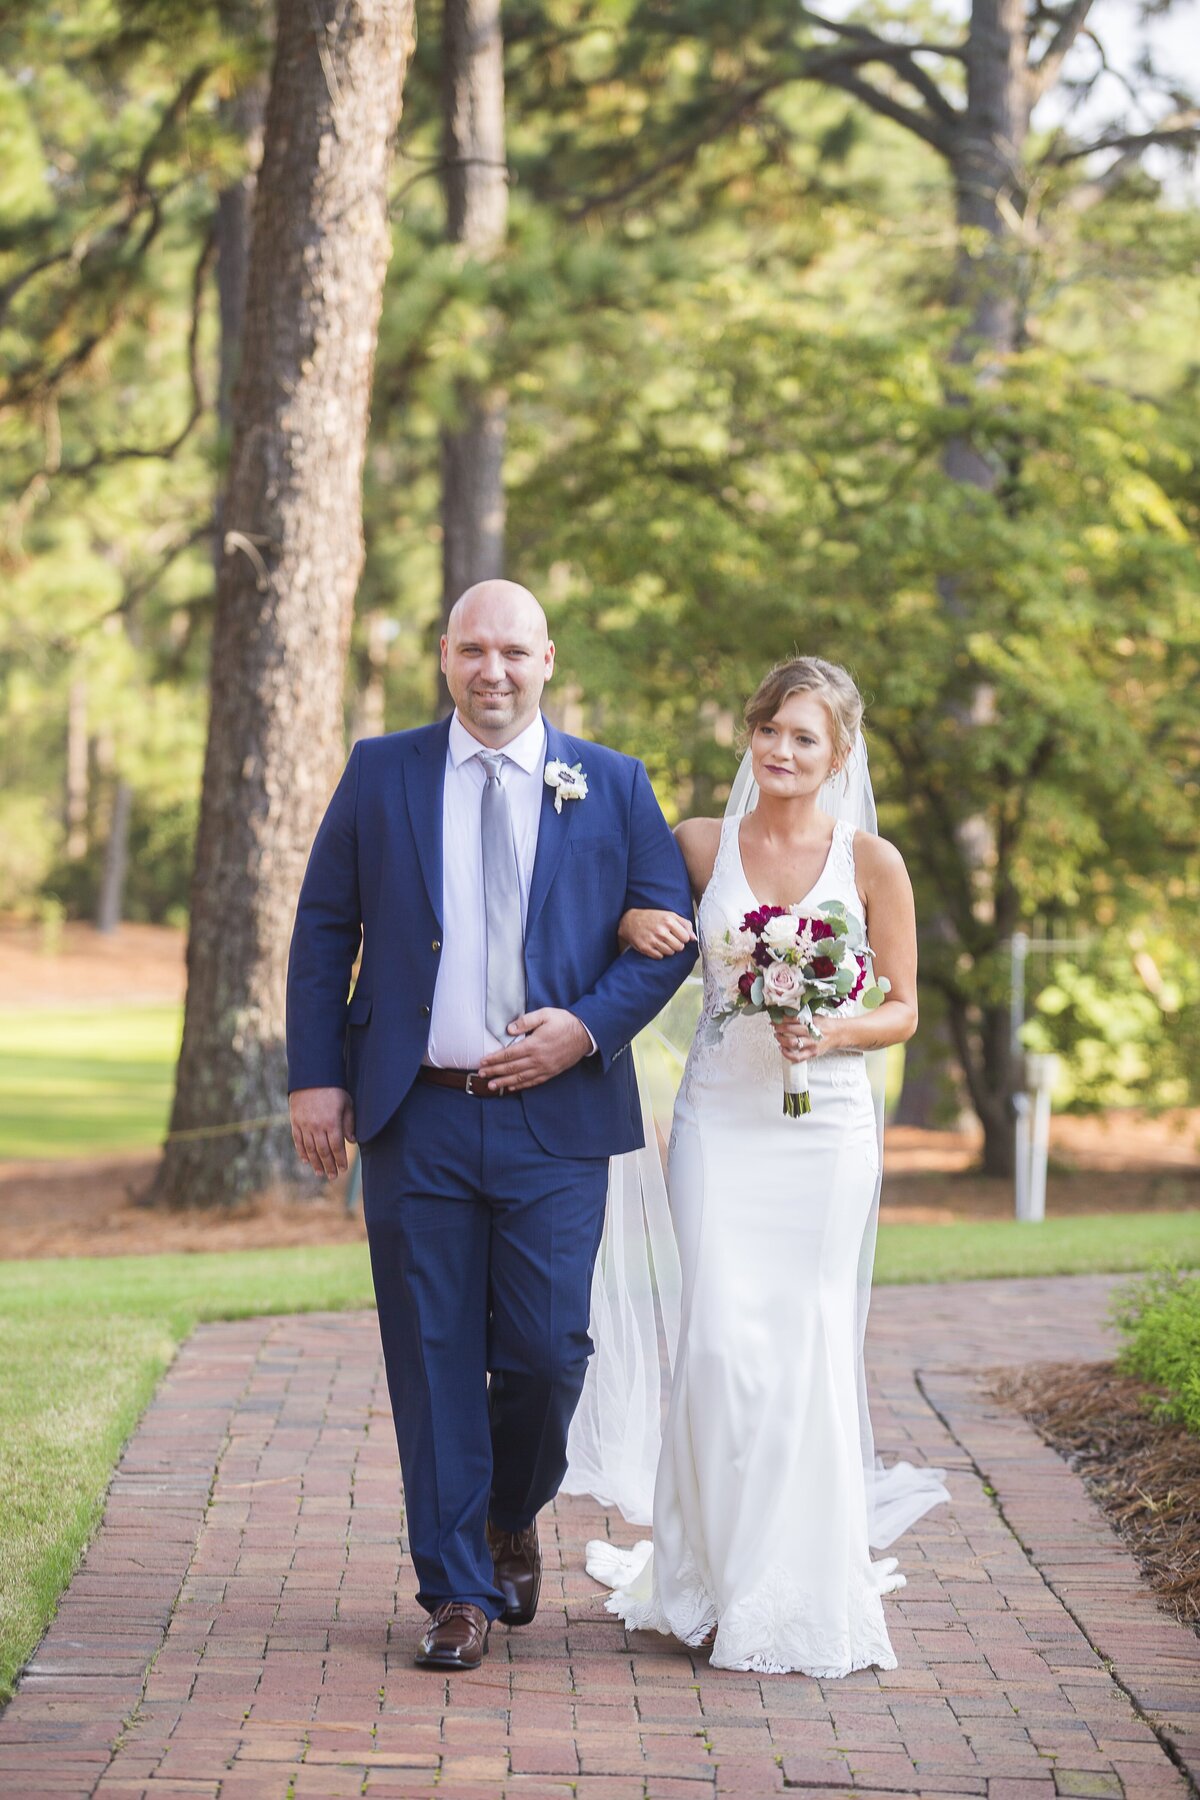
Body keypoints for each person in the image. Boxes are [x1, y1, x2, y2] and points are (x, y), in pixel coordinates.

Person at [285, 581, 696, 1671]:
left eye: (513, 650)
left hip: (555, 1120)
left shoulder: (611, 784)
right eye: (473, 650)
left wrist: (585, 1030)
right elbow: (325, 925)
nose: (493, 671)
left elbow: (673, 933)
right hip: (415, 1112)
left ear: (548, 658)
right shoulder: (382, 773)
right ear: (444, 657)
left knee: (549, 1352)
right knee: (431, 1357)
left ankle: (513, 1513)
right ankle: (458, 1590)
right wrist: (315, 1077)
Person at [585, 656, 950, 1677]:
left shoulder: (871, 864)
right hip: (718, 1122)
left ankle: (789, 1581)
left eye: (805, 738)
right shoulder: (701, 844)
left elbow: (903, 1005)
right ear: (751, 735)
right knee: (714, 1348)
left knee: (805, 1346)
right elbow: (614, 907)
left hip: (824, 1131)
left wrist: (830, 1034)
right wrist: (629, 918)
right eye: (770, 731)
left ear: (839, 755)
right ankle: (703, 1572)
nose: (782, 752)